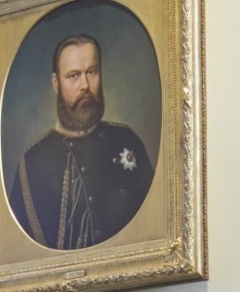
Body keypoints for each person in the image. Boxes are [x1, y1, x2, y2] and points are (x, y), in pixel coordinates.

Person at [10, 33, 153, 249]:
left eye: (92, 72)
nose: (85, 85)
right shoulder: (31, 164)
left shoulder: (127, 141)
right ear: (56, 83)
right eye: (74, 76)